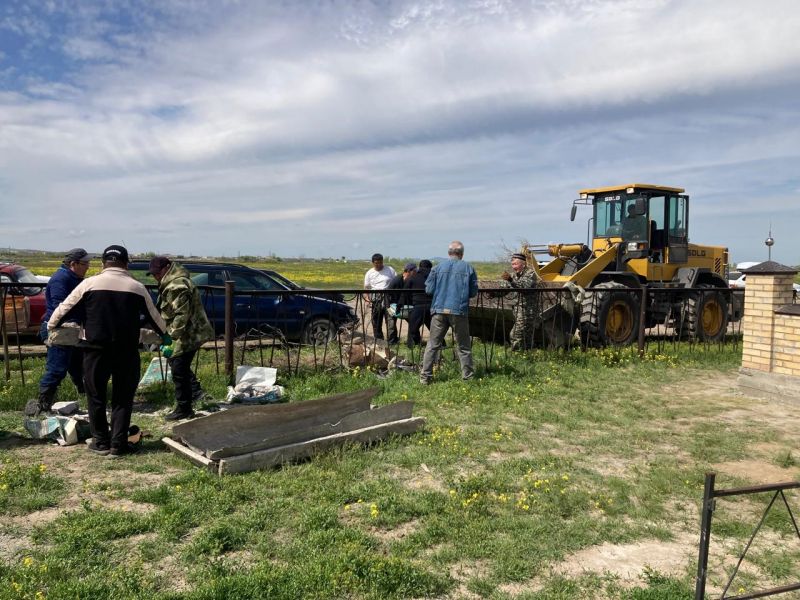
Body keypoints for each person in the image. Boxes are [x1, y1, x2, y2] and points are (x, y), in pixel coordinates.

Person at [48, 245, 168, 457]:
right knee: (123, 397)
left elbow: (63, 309)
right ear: (126, 264)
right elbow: (155, 318)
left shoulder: (89, 284)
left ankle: (101, 442)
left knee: (96, 396)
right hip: (127, 350)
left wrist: (52, 326)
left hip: (94, 349)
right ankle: (118, 444)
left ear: (103, 263)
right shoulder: (137, 287)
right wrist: (166, 336)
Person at [25, 249, 91, 417]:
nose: (88, 267)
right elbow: (59, 307)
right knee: (57, 368)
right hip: (60, 329)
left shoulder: (73, 278)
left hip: (71, 329)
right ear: (73, 264)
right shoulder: (60, 279)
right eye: (85, 264)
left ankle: (86, 397)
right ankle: (43, 403)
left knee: (78, 367)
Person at [147, 256, 214, 420]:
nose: (156, 276)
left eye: (158, 273)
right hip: (187, 332)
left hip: (189, 334)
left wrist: (171, 338)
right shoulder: (173, 282)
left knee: (178, 368)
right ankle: (195, 394)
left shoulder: (176, 285)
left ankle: (184, 408)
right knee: (178, 365)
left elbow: (181, 316)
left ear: (167, 268)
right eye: (154, 274)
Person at [419, 241, 478, 384]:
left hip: (439, 309)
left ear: (449, 253)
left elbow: (429, 290)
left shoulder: (438, 268)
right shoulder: (468, 268)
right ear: (462, 254)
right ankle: (468, 377)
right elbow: (473, 292)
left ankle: (425, 377)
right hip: (459, 310)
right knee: (463, 346)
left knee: (433, 344)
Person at [500, 252, 541, 351]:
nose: (514, 267)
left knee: (516, 334)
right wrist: (494, 294)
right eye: (512, 264)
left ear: (523, 264)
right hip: (519, 309)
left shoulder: (530, 273)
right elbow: (505, 288)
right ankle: (527, 352)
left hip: (528, 310)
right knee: (526, 335)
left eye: (516, 264)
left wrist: (511, 280)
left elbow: (524, 287)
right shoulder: (514, 275)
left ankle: (516, 353)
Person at [363, 253, 397, 343]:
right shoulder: (370, 273)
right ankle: (379, 341)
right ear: (373, 263)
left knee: (390, 320)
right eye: (376, 263)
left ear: (383, 261)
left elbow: (396, 282)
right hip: (376, 298)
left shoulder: (390, 270)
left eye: (380, 262)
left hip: (388, 298)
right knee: (376, 321)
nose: (378, 265)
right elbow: (366, 287)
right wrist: (367, 298)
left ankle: (392, 341)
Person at [404, 259, 433, 348]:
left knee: (413, 328)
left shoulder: (413, 278)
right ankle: (440, 345)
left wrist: (405, 303)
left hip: (418, 307)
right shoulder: (433, 278)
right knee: (434, 329)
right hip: (431, 307)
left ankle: (415, 344)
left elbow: (405, 292)